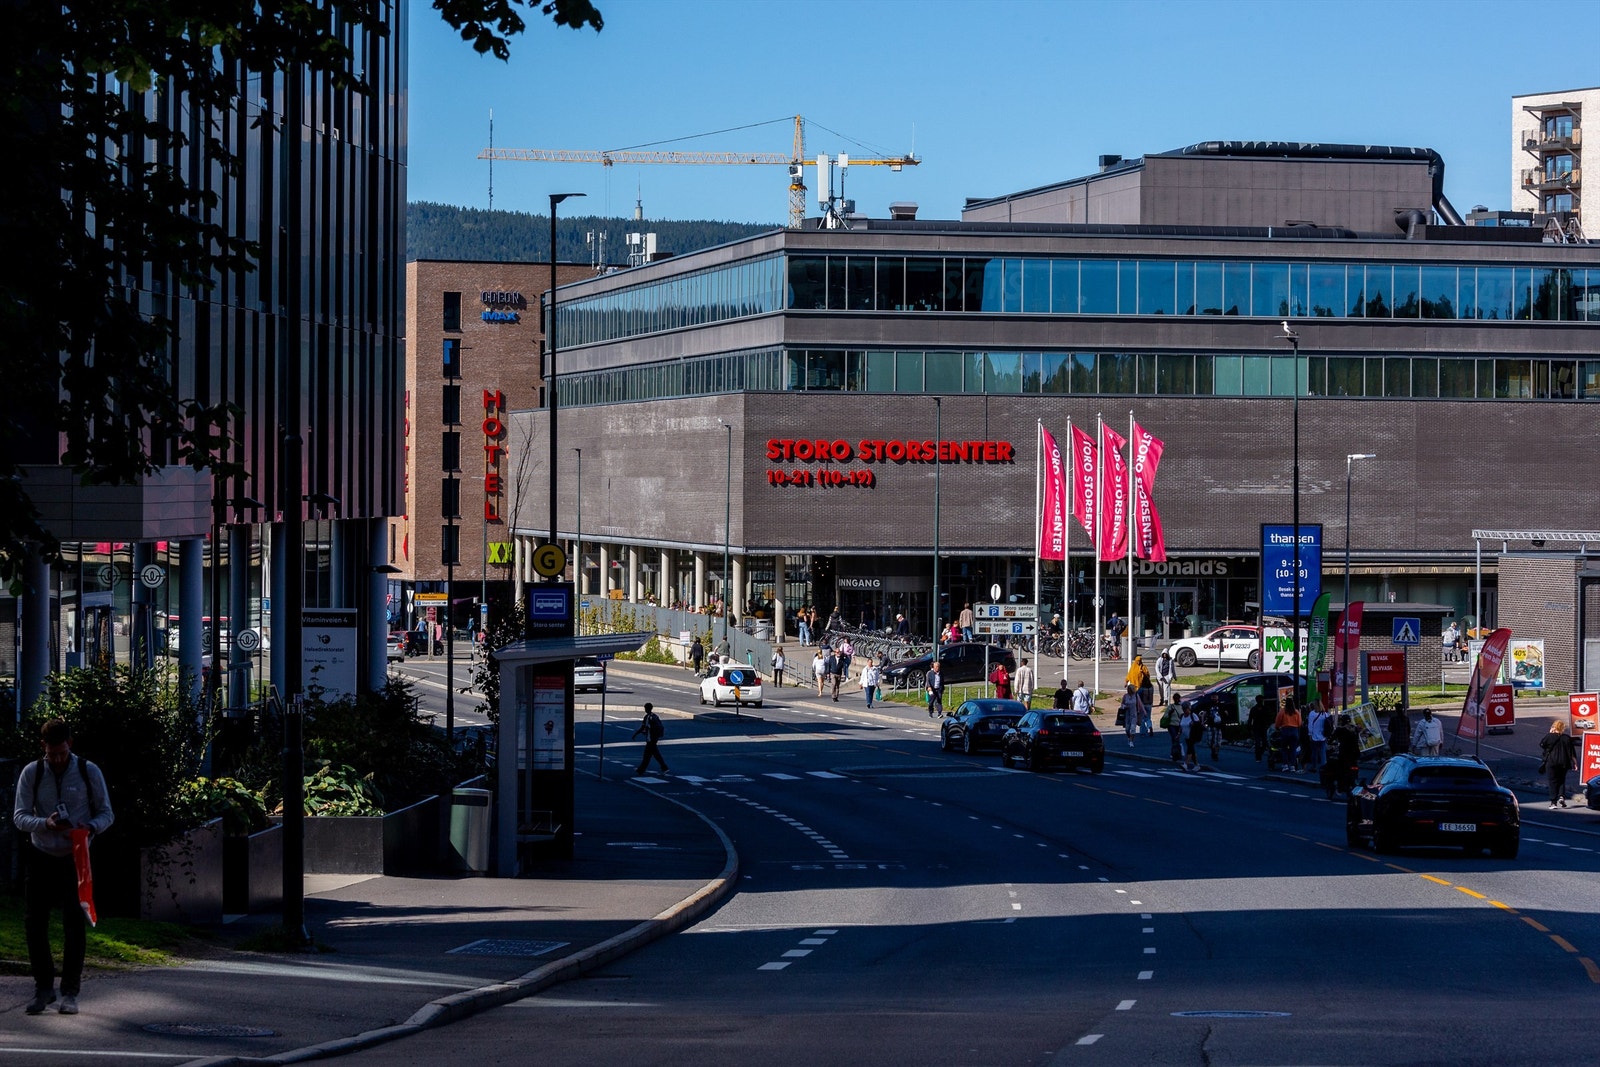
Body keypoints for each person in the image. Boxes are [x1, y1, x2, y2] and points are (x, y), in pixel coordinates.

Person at [13, 719, 114, 1016]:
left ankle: (70, 991)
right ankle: (43, 987)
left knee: (73, 923)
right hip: (41, 853)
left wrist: (90, 827)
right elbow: (19, 817)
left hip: (75, 856)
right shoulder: (32, 772)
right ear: (43, 747)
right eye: (51, 753)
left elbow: (107, 812)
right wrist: (45, 823)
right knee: (34, 922)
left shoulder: (87, 771)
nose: (57, 759)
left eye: (61, 753)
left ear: (71, 744)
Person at [1540, 720, 1578, 808]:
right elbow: (1572, 752)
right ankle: (1561, 796)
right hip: (1564, 762)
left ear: (1554, 727)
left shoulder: (1549, 736)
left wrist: (1550, 733)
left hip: (1551, 762)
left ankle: (1553, 802)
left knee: (1553, 781)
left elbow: (1542, 744)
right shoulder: (1567, 738)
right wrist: (1575, 763)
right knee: (1561, 780)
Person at [1326, 714, 1362, 798]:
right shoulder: (1354, 729)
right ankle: (1354, 780)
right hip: (1355, 753)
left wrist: (1330, 743)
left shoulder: (1340, 729)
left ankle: (1340, 787)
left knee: (1341, 769)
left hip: (1345, 753)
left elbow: (1331, 739)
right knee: (1354, 766)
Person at [632, 702, 668, 776]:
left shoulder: (648, 717)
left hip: (651, 739)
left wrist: (636, 734)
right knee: (655, 755)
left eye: (645, 708)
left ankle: (641, 770)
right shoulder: (654, 716)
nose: (645, 709)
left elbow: (643, 727)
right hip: (654, 739)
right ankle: (664, 768)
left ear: (647, 709)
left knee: (647, 756)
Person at [1275, 697, 1303, 772]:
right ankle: (1293, 766)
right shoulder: (1296, 712)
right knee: (1293, 749)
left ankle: (1285, 765)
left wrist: (1277, 727)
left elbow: (1277, 722)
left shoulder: (1282, 711)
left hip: (1285, 730)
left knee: (1284, 749)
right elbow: (1300, 723)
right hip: (1294, 731)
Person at [1306, 700, 1331, 775]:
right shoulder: (1325, 714)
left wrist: (1310, 734)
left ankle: (1314, 766)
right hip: (1323, 735)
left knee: (1314, 752)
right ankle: (1324, 767)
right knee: (1323, 752)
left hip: (1314, 735)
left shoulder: (1312, 714)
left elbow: (1310, 725)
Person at [1248, 694, 1274, 763]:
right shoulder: (1253, 709)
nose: (1261, 701)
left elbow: (1270, 717)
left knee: (1265, 742)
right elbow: (1250, 719)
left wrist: (1268, 724)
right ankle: (1258, 757)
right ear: (1257, 701)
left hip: (1264, 727)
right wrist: (1250, 728)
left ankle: (1259, 754)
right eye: (1260, 700)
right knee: (1257, 743)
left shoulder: (1265, 708)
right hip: (1256, 727)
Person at [1180, 703, 1203, 771]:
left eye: (1186, 709)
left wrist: (1193, 724)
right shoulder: (1182, 716)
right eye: (1183, 709)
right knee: (1192, 750)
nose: (1184, 711)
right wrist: (1178, 734)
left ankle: (1185, 764)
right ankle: (1196, 765)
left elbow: (1198, 724)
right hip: (1186, 736)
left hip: (1192, 735)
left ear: (1189, 708)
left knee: (1189, 749)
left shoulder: (1193, 715)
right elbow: (1181, 726)